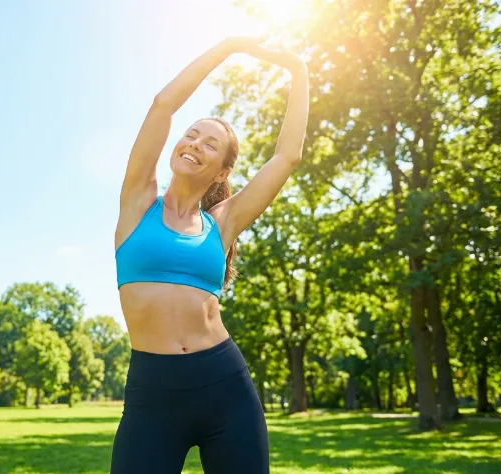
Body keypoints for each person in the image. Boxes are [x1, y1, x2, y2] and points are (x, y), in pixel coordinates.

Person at [110, 36, 309, 474]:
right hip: (152, 394)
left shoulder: (223, 223)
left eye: (209, 144)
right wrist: (228, 49)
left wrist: (297, 70)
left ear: (221, 171)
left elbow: (287, 156)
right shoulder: (138, 202)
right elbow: (163, 104)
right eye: (192, 135)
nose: (195, 144)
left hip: (225, 389)